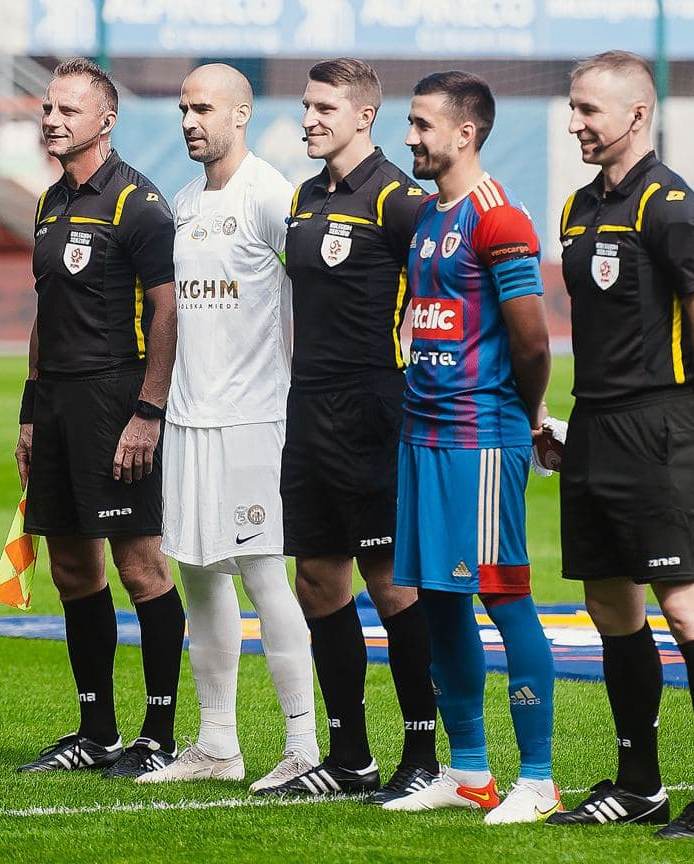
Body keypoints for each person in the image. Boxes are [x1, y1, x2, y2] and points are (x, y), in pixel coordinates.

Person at [544, 50, 694, 839]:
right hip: (593, 425)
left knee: (687, 609)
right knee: (609, 608)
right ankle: (639, 786)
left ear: (637, 114)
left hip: (661, 427)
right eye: (572, 107)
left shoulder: (670, 204)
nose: (574, 123)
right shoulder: (577, 208)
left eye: (589, 110)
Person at [254, 58, 440, 803]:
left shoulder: (398, 198)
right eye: (306, 106)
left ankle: (422, 755)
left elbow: (448, 297)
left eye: (324, 108)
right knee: (316, 580)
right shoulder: (304, 198)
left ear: (364, 116)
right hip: (309, 412)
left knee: (390, 584)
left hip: (375, 412)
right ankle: (350, 756)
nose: (309, 119)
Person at [134, 63, 319, 790]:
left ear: (241, 114)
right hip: (189, 420)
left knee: (266, 577)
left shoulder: (271, 195)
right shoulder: (183, 202)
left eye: (204, 109)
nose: (189, 121)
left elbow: (316, 294)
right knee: (202, 577)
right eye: (184, 109)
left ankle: (303, 745)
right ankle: (217, 745)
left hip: (254, 420)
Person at [381, 71, 559, 824]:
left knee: (503, 595)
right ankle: (469, 771)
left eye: (422, 125)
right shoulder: (429, 215)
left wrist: (529, 412)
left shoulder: (499, 217)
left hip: (479, 437)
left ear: (465, 133)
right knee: (440, 598)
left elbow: (533, 339)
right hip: (422, 433)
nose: (410, 138)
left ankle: (539, 779)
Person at [12, 57, 186, 780]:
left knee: (140, 567)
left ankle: (159, 735)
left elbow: (168, 312)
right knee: (71, 569)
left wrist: (148, 412)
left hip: (115, 402)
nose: (52, 120)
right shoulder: (50, 202)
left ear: (105, 122)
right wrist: (29, 413)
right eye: (49, 108)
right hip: (55, 404)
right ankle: (96, 732)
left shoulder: (137, 204)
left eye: (68, 111)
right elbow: (44, 314)